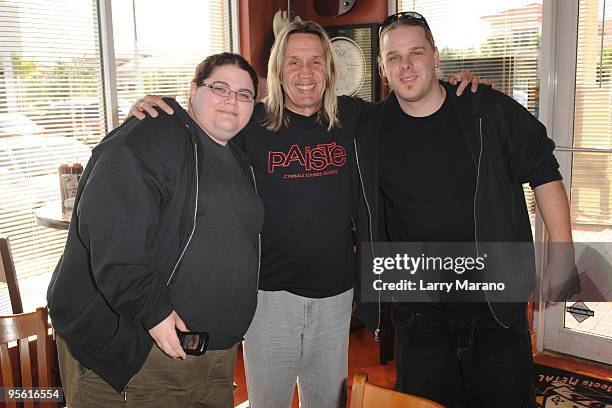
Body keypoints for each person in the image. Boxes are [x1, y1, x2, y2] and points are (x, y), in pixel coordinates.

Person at [130, 19, 480, 408]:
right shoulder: (252, 122)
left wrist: (458, 88)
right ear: (278, 71)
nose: (305, 72)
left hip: (336, 297)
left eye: (316, 61)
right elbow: (203, 127)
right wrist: (163, 111)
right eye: (293, 62)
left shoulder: (354, 118)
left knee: (328, 403)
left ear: (330, 71)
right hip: (268, 297)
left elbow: (415, 100)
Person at [354, 12, 577, 407]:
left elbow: (544, 171)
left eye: (416, 53)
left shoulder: (486, 110)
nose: (406, 66)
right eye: (393, 57)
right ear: (382, 68)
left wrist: (562, 254)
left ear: (436, 57)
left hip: (495, 306)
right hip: (418, 314)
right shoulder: (368, 130)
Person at [46, 52, 264, 407]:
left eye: (244, 94)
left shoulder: (232, 152)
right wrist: (153, 313)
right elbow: (113, 234)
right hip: (144, 354)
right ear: (193, 91)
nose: (231, 100)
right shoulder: (149, 136)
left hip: (212, 358)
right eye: (219, 87)